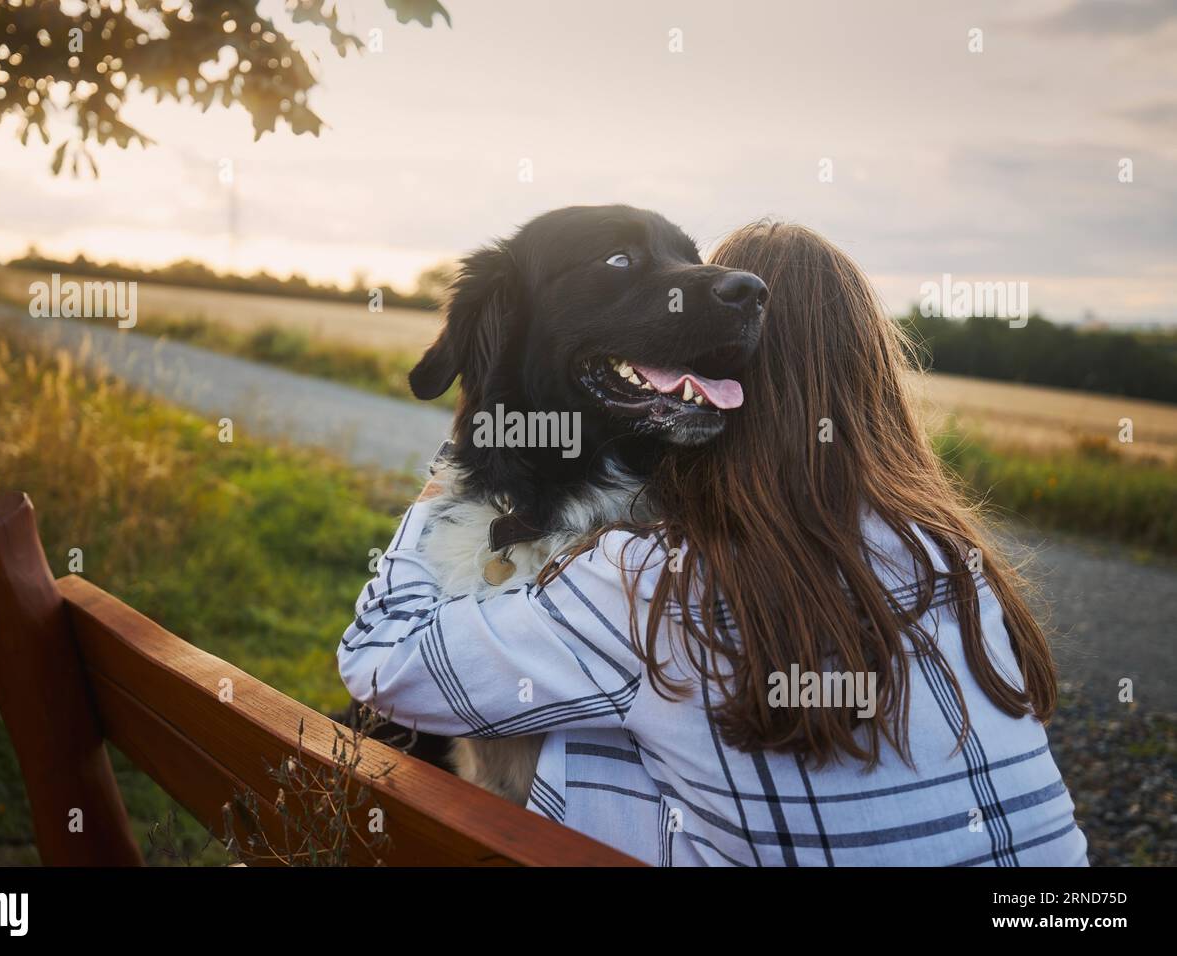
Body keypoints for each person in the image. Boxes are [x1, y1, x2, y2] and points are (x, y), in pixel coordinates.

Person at [338, 220, 1088, 866]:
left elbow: (379, 665)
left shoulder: (645, 583)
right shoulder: (951, 557)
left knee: (567, 731)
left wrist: (459, 466)